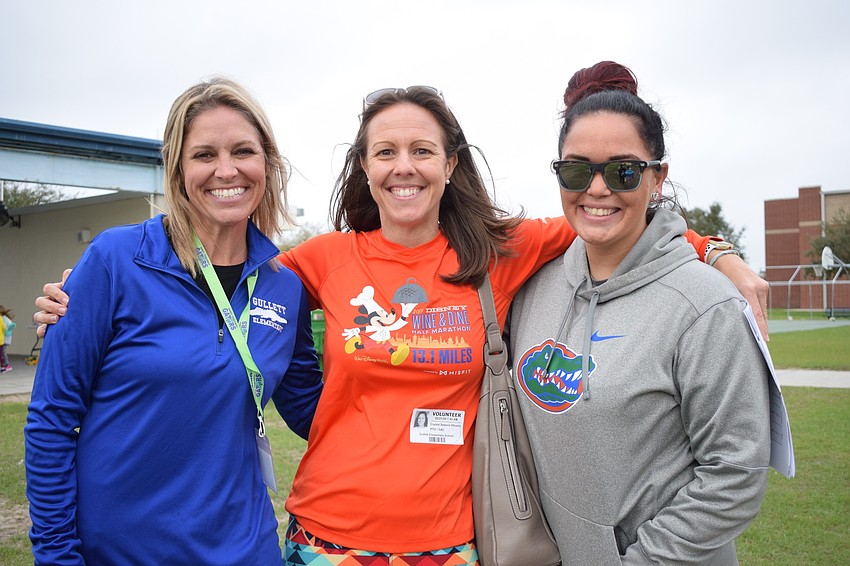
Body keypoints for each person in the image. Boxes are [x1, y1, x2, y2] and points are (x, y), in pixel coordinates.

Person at [34, 86, 767, 563]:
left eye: (422, 150)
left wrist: (719, 253)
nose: (404, 167)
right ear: (365, 167)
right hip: (326, 539)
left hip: (450, 542)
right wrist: (81, 294)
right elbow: (220, 295)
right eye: (386, 152)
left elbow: (606, 213)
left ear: (450, 164)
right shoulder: (314, 262)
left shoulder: (498, 252)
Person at [24, 77, 323, 565]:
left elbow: (315, 412)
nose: (226, 171)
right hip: (122, 551)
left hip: (245, 549)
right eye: (204, 155)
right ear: (177, 167)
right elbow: (51, 420)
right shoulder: (116, 260)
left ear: (267, 162)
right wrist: (57, 555)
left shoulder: (283, 287)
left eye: (243, 151)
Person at [508, 61, 771, 564]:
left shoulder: (705, 304)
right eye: (577, 169)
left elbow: (736, 473)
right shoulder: (534, 288)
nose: (598, 188)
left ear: (658, 178)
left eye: (623, 170)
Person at [0, 305, 14, 372]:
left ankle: (6, 364)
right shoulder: (2, 318)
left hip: (5, 337)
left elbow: (10, 325)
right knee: (2, 352)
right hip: (3, 337)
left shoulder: (3, 318)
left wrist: (7, 331)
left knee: (2, 351)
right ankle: (4, 365)